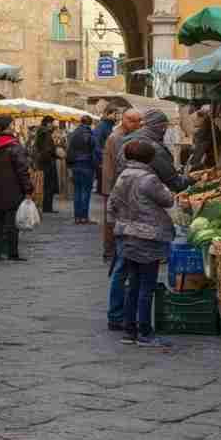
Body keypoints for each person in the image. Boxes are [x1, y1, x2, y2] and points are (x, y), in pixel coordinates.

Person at [109, 139, 174, 348]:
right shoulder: (149, 179)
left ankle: (130, 330)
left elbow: (112, 205)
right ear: (150, 158)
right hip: (147, 236)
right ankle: (145, 331)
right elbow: (168, 200)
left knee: (133, 285)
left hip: (126, 235)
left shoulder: (123, 176)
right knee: (146, 286)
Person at [104, 108, 143, 330]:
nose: (137, 124)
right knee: (123, 267)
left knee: (123, 267)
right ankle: (118, 315)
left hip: (123, 211)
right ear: (124, 120)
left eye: (140, 121)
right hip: (125, 212)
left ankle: (119, 314)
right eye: (133, 120)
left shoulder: (126, 137)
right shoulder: (118, 138)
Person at [0, 115, 33, 261]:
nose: (13, 126)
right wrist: (28, 189)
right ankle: (12, 253)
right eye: (12, 124)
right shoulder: (13, 145)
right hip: (13, 189)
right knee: (12, 223)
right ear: (8, 126)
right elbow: (22, 170)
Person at [117, 109, 193, 194]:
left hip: (126, 194)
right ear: (161, 127)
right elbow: (174, 182)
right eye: (165, 126)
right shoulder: (154, 148)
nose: (165, 130)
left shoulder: (127, 140)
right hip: (148, 197)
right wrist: (192, 178)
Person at [67, 115, 96, 223]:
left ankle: (77, 217)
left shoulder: (73, 133)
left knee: (77, 191)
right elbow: (94, 150)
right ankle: (84, 216)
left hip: (75, 165)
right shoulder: (90, 134)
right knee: (86, 191)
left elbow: (69, 151)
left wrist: (69, 166)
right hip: (87, 164)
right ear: (90, 123)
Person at [34, 116, 60, 213]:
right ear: (48, 123)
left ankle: (46, 207)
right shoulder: (46, 133)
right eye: (52, 123)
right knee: (48, 186)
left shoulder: (41, 132)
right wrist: (55, 154)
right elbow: (47, 150)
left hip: (43, 162)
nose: (53, 125)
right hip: (47, 163)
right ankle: (47, 208)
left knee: (45, 186)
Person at [93, 107, 119, 193]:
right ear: (108, 114)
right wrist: (102, 157)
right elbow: (96, 142)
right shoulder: (102, 125)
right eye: (115, 114)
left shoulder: (111, 126)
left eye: (117, 114)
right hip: (103, 158)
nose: (117, 116)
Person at [187, 106, 216, 171]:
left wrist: (196, 135)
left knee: (197, 149)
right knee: (194, 150)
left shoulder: (207, 123)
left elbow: (202, 139)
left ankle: (194, 166)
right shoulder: (207, 123)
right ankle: (194, 165)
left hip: (208, 149)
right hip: (207, 147)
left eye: (195, 120)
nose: (195, 122)